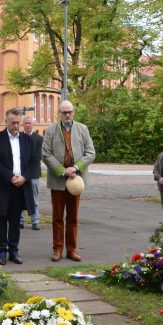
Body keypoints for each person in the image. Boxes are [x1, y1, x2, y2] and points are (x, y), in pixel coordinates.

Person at [42, 100, 95, 262]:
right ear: (59, 113)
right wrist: (62, 170)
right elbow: (46, 154)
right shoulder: (50, 131)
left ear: (73, 112)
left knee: (73, 217)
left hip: (76, 180)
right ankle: (57, 249)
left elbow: (90, 153)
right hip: (58, 179)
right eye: (64, 112)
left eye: (69, 112)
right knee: (57, 217)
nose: (67, 115)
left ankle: (71, 250)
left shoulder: (82, 129)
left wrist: (76, 168)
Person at [0, 109, 39, 265]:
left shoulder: (27, 140)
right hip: (2, 185)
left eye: (18, 122)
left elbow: (34, 162)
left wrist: (24, 177)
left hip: (21, 186)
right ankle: (1, 251)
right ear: (6, 121)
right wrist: (10, 177)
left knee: (15, 221)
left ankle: (14, 251)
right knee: (1, 220)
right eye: (13, 122)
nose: (16, 125)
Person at [20, 115, 43, 230]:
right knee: (20, 198)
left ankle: (35, 221)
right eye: (26, 123)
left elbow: (37, 157)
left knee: (34, 199)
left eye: (29, 123)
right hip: (20, 173)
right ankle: (20, 221)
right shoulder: (18, 137)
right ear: (22, 124)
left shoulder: (39, 139)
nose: (28, 125)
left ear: (33, 124)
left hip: (33, 173)